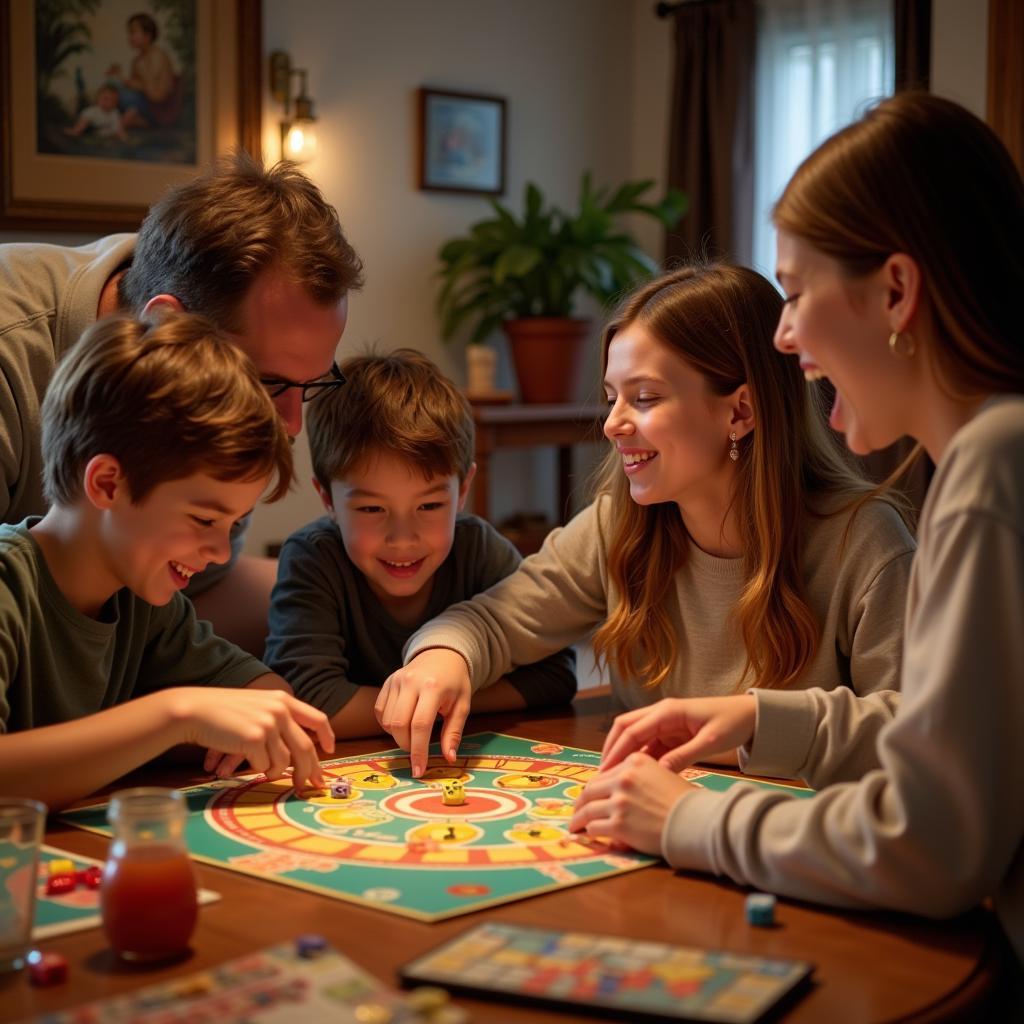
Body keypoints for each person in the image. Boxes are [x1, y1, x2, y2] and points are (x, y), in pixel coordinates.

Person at [568, 94, 1024, 972]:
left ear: (896, 292)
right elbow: (945, 745)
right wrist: (760, 718)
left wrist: (690, 819)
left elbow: (929, 849)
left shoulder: (992, 466)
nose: (782, 337)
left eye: (795, 293)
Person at [378, 263, 916, 777]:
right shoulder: (621, 523)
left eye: (645, 397)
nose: (612, 424)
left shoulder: (864, 541)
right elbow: (493, 621)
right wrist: (442, 655)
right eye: (613, 398)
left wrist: (755, 728)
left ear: (740, 412)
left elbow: (916, 731)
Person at [0, 151, 362, 655]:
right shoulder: (10, 354)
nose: (291, 425)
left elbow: (185, 603)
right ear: (167, 324)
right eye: (269, 382)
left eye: (311, 386)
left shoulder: (213, 405)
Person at [0, 313, 335, 810]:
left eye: (232, 525)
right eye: (204, 520)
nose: (222, 552)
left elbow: (263, 693)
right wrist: (176, 714)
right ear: (108, 484)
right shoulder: (9, 588)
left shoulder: (143, 597)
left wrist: (238, 721)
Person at [264, 349, 577, 737]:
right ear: (328, 498)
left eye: (429, 505)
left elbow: (554, 675)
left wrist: (446, 698)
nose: (402, 538)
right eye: (372, 509)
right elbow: (311, 703)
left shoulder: (478, 548)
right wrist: (437, 705)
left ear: (463, 490)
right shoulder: (313, 558)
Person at [106, 12, 178, 130]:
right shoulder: (138, 60)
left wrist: (134, 83)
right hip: (144, 101)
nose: (130, 37)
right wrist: (120, 77)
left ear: (147, 35)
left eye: (133, 32)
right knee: (113, 86)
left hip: (157, 106)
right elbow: (134, 85)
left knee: (121, 93)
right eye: (129, 33)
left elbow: (156, 95)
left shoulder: (157, 56)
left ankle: (137, 122)